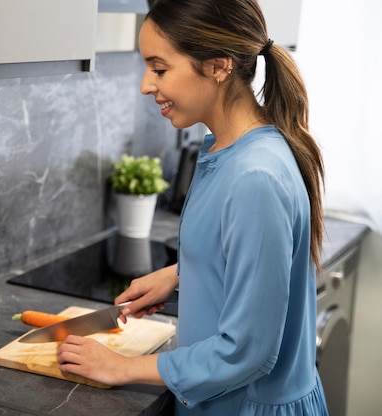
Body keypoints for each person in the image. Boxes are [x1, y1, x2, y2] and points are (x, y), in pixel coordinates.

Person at [57, 0, 328, 414]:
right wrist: (184, 273)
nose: (146, 85)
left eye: (159, 68)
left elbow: (247, 351)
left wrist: (123, 367)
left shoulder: (254, 177)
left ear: (219, 67)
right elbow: (254, 266)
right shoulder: (229, 149)